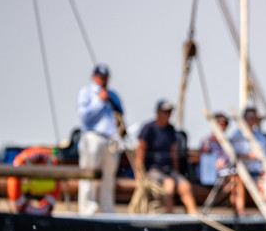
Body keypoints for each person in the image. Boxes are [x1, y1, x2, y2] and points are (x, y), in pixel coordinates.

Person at [135, 99, 198, 214]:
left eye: (170, 112)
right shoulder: (148, 128)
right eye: (166, 111)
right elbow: (140, 151)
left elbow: (173, 152)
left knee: (185, 186)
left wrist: (176, 171)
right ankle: (170, 217)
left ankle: (193, 217)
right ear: (158, 112)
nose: (168, 114)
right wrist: (139, 173)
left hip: (169, 170)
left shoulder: (170, 129)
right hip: (153, 169)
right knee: (169, 184)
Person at [77, 64, 124, 215]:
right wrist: (99, 101)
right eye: (101, 77)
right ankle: (86, 208)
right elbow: (84, 117)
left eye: (106, 77)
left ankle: (107, 209)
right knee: (88, 174)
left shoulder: (113, 95)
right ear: (94, 77)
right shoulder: (86, 93)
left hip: (111, 140)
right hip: (93, 137)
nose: (103, 79)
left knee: (109, 177)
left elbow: (120, 117)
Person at [228, 106, 266, 210]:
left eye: (254, 118)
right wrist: (248, 156)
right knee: (238, 181)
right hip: (242, 172)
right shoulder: (236, 137)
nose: (252, 121)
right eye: (249, 118)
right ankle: (240, 216)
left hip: (259, 172)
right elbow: (232, 158)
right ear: (244, 119)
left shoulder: (262, 138)